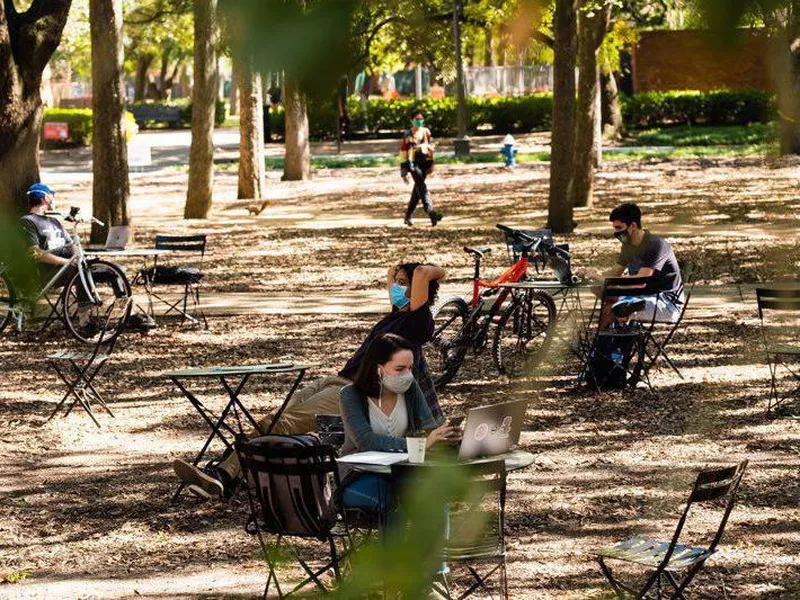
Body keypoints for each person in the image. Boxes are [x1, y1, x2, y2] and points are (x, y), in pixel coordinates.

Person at [173, 261, 447, 499]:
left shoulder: (418, 324)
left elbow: (423, 272)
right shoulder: (396, 315)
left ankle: (224, 475)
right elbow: (394, 275)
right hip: (334, 380)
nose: (395, 286)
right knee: (271, 421)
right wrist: (398, 273)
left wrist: (431, 273)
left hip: (353, 392)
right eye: (396, 282)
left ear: (420, 290)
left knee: (282, 425)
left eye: (403, 283)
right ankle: (229, 473)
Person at [339, 333, 459, 516]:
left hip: (403, 471)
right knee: (390, 500)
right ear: (378, 368)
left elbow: (429, 427)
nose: (407, 375)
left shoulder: (410, 389)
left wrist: (445, 436)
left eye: (410, 368)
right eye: (400, 369)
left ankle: (437, 536)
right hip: (359, 475)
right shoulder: (350, 395)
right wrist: (421, 444)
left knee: (432, 492)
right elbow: (366, 441)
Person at [593, 203, 684, 327]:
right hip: (641, 296)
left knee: (619, 308)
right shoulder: (628, 246)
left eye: (619, 228)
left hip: (665, 302)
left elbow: (640, 282)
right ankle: (606, 339)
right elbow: (614, 273)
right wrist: (592, 275)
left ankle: (620, 336)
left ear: (633, 226)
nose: (616, 233)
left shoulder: (655, 245)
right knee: (606, 301)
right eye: (615, 228)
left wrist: (606, 281)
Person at [20, 183, 78, 288]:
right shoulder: (28, 221)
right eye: (52, 196)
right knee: (81, 270)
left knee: (91, 268)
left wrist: (77, 259)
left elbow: (71, 244)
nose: (53, 199)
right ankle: (84, 300)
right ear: (45, 198)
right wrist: (66, 262)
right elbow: (36, 253)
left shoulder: (54, 220)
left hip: (65, 266)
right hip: (47, 274)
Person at [400, 113, 443, 227]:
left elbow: (430, 147)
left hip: (425, 163)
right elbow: (404, 152)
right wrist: (403, 171)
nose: (419, 121)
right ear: (412, 120)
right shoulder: (408, 134)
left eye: (421, 119)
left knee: (417, 189)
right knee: (422, 187)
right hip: (413, 164)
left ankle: (408, 216)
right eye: (417, 119)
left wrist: (431, 162)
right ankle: (430, 211)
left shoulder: (426, 132)